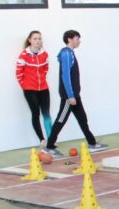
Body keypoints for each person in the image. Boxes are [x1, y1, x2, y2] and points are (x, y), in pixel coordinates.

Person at [44, 30, 107, 158]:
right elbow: (65, 75)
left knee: (82, 119)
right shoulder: (66, 54)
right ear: (69, 39)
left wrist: (74, 94)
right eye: (77, 38)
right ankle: (49, 147)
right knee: (61, 120)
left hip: (74, 95)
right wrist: (70, 95)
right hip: (69, 96)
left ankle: (92, 144)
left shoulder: (70, 53)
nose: (79, 41)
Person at [16, 30, 51, 146]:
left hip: (44, 89)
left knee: (46, 113)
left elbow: (45, 69)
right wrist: (25, 87)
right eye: (35, 39)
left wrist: (41, 82)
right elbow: (18, 73)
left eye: (39, 38)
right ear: (30, 40)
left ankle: (51, 140)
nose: (38, 41)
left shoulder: (44, 54)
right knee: (35, 113)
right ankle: (42, 139)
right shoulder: (23, 55)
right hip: (30, 90)